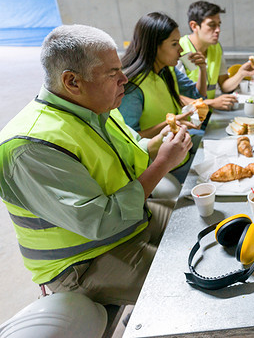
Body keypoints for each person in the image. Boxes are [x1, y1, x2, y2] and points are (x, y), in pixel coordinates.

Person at [0, 24, 192, 306]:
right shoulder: (30, 146)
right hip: (86, 258)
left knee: (198, 222)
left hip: (132, 221)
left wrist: (157, 145)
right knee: (190, 280)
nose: (124, 79)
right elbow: (101, 222)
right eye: (113, 73)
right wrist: (163, 162)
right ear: (72, 82)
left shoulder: (95, 109)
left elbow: (130, 151)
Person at [119, 12, 204, 183]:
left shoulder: (167, 70)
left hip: (182, 149)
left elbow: (197, 96)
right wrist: (168, 124)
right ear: (154, 47)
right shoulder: (132, 88)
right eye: (174, 44)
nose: (180, 50)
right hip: (162, 165)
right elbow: (129, 141)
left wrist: (203, 69)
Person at [179, 0, 254, 110]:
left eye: (218, 25)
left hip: (208, 114)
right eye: (211, 25)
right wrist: (211, 103)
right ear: (194, 26)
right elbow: (176, 97)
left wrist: (241, 73)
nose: (218, 30)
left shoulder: (216, 48)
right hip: (187, 117)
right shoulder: (180, 50)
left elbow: (224, 86)